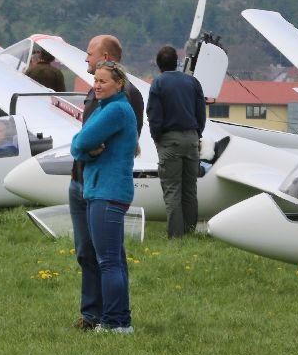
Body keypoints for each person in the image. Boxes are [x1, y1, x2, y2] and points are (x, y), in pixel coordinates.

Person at [69, 35, 144, 331]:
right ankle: (117, 319)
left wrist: (82, 149)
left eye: (103, 81)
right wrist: (86, 148)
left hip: (106, 191)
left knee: (108, 262)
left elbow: (79, 142)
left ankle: (113, 323)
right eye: (96, 81)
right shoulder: (109, 105)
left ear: (118, 83)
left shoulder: (115, 108)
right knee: (113, 260)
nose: (97, 85)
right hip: (102, 188)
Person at [147, 45, 206, 238]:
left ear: (159, 64)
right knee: (190, 189)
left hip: (169, 139)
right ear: (177, 63)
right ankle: (190, 232)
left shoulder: (158, 84)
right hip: (191, 138)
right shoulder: (193, 82)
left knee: (172, 189)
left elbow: (154, 116)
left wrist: (157, 138)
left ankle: (175, 235)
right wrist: (197, 135)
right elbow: (201, 114)